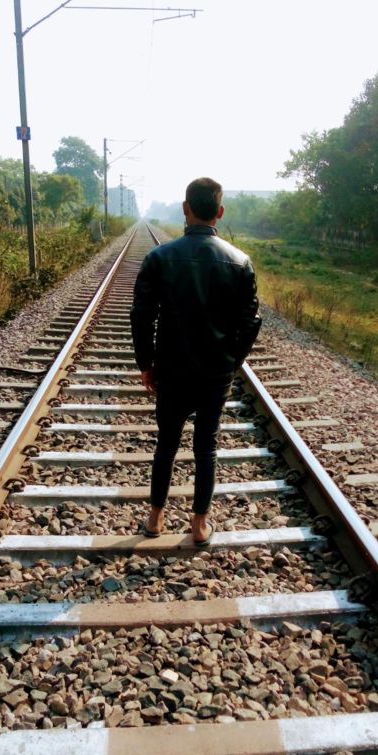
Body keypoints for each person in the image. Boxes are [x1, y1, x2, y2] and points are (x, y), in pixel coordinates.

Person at [131, 177, 262, 545]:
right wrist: (232, 362)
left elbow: (141, 315)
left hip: (171, 370)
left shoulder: (159, 257)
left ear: (185, 208)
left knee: (166, 443)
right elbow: (251, 322)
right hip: (215, 373)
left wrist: (146, 364)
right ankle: (199, 525)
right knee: (206, 446)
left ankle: (155, 519)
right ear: (220, 211)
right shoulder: (240, 262)